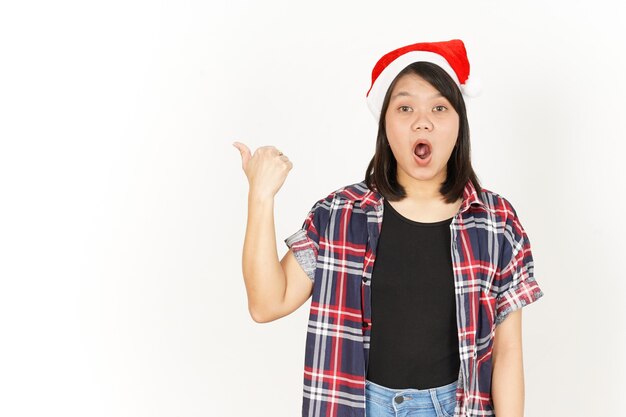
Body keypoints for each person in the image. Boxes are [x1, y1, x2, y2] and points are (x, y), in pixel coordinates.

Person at [234, 39, 544, 417]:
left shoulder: (496, 222)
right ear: (385, 125)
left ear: (459, 124)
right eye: (405, 107)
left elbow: (508, 351)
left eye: (440, 107)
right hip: (357, 405)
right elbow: (267, 303)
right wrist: (261, 196)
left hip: (454, 408)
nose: (422, 120)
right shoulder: (339, 215)